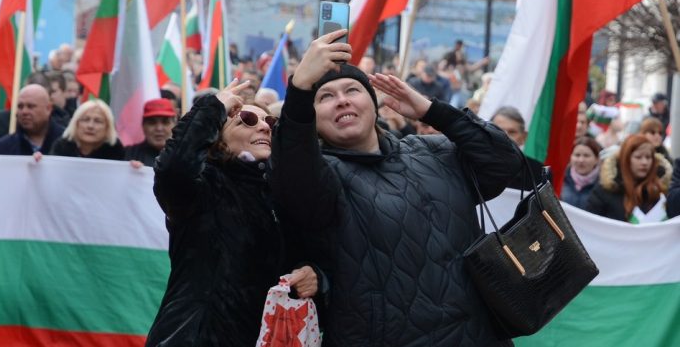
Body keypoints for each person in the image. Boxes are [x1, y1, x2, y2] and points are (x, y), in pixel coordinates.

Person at [269, 29, 522, 346]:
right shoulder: (321, 177)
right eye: (325, 97)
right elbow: (293, 172)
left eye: (352, 90)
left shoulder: (431, 151)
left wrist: (433, 111)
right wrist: (299, 92)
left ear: (374, 104)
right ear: (313, 119)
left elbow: (504, 163)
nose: (342, 100)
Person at [145, 80, 319, 347]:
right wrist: (211, 109)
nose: (264, 126)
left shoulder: (282, 195)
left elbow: (302, 257)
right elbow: (173, 170)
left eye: (269, 122)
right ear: (219, 138)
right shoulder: (204, 187)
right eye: (247, 120)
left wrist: (311, 273)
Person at [586, 134, 674, 223]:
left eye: (648, 157)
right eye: (638, 157)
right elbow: (590, 223)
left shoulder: (662, 189)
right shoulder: (606, 190)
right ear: (626, 160)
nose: (644, 162)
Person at [0, 85, 64, 156]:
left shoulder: (66, 143)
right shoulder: (3, 147)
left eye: (31, 106)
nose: (24, 112)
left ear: (48, 109)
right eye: (20, 106)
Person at [490, 106, 548, 190]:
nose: (505, 136)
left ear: (524, 137)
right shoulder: (473, 165)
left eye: (512, 132)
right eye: (498, 131)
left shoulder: (540, 173)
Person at [50, 100, 125, 160]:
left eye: (98, 121)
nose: (90, 126)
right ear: (76, 124)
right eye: (85, 120)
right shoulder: (61, 147)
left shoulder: (116, 150)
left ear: (108, 127)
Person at [124, 98, 176, 167]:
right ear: (143, 126)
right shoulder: (128, 155)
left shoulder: (185, 156)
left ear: (175, 125)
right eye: (152, 122)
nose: (159, 128)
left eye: (165, 122)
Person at [560, 137, 602, 209]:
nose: (581, 160)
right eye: (577, 155)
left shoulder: (603, 185)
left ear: (597, 159)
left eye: (586, 155)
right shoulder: (561, 179)